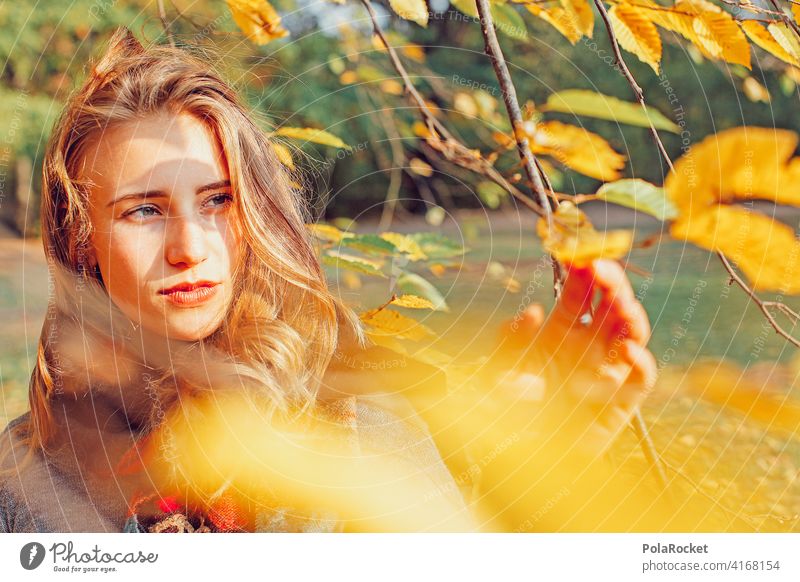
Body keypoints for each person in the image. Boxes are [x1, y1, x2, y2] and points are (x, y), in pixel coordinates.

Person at [0, 28, 656, 533]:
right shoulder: (25, 481)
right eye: (143, 210)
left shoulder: (359, 427)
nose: (189, 248)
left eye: (218, 200)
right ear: (83, 245)